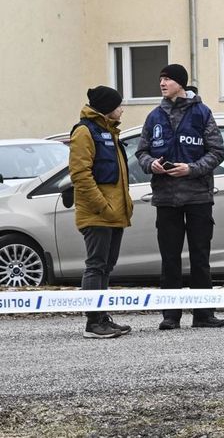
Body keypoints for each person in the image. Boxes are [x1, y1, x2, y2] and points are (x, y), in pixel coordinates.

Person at [134, 64, 224, 330]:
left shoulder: (201, 113)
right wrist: (150, 163)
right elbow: (141, 151)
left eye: (168, 79)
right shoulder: (154, 116)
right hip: (166, 197)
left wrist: (191, 169)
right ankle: (170, 315)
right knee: (169, 258)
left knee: (200, 256)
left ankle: (204, 314)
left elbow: (217, 151)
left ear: (181, 84)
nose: (162, 83)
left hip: (198, 196)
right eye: (161, 78)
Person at [69, 86, 133, 339]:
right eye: (118, 105)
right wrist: (102, 206)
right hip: (98, 214)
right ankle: (93, 322)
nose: (122, 109)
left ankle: (102, 316)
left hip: (114, 214)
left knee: (106, 266)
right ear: (108, 108)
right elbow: (80, 175)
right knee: (95, 266)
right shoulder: (85, 132)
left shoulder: (109, 131)